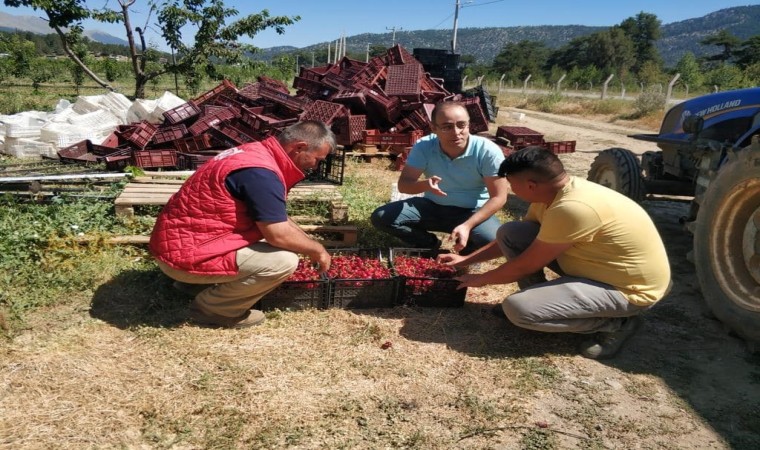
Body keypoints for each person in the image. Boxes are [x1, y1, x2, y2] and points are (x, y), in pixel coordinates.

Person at [440, 146, 671, 359]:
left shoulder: (573, 208)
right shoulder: (551, 194)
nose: (511, 190)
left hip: (629, 289)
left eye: (512, 184)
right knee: (512, 232)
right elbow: (511, 243)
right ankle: (543, 302)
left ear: (531, 185)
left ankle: (615, 324)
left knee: (518, 310)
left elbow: (524, 266)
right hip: (599, 267)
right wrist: (466, 259)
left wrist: (479, 280)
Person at [149, 120, 336, 329]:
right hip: (185, 255)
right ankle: (215, 310)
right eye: (317, 159)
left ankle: (192, 285)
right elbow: (277, 233)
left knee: (280, 244)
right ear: (299, 147)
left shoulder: (256, 153)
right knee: (284, 261)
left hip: (182, 244)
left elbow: (277, 217)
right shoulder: (261, 173)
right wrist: (317, 249)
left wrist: (307, 243)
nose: (315, 166)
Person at [370, 101, 508, 254]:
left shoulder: (487, 151)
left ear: (469, 125)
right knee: (381, 217)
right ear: (434, 128)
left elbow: (499, 197)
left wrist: (467, 225)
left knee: (492, 239)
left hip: (472, 211)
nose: (456, 132)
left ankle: (467, 252)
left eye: (462, 125)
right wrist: (425, 185)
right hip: (432, 206)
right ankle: (428, 243)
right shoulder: (424, 146)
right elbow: (404, 185)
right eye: (447, 127)